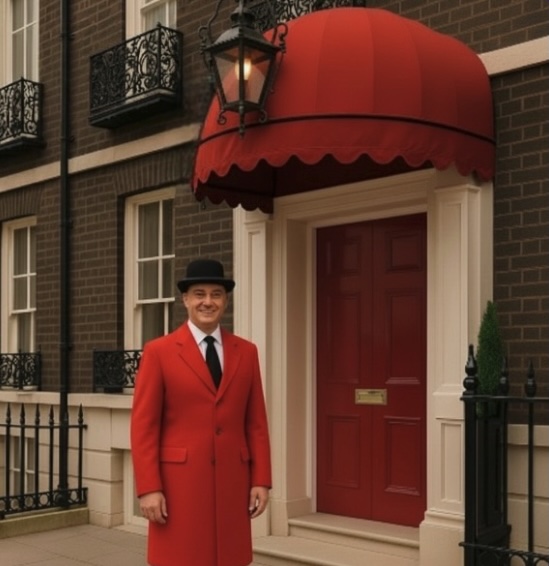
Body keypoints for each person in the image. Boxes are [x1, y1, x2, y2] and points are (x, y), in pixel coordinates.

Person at [131, 258, 272, 566]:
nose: (208, 301)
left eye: (216, 294)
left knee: (229, 559)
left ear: (225, 300)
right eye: (199, 294)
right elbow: (144, 427)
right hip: (179, 484)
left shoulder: (246, 352)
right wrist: (149, 488)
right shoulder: (159, 351)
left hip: (233, 482)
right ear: (185, 299)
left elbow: (256, 422)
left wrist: (261, 479)